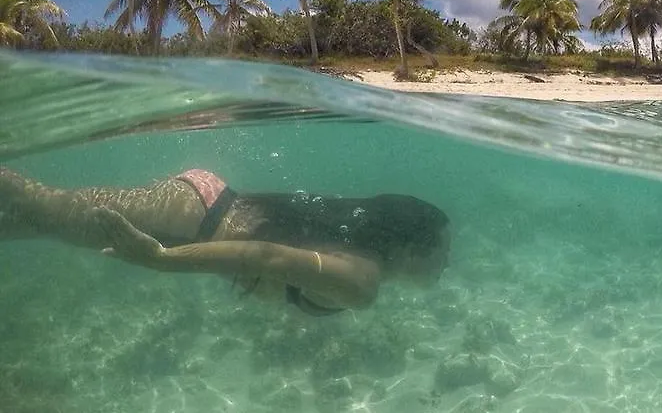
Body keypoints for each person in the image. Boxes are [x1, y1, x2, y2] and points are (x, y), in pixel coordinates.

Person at [0, 167, 450, 315]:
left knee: (39, 220)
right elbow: (266, 256)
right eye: (441, 253)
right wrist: (160, 259)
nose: (447, 264)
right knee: (38, 202)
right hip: (188, 219)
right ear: (410, 247)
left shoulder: (358, 253)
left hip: (199, 206)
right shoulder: (362, 281)